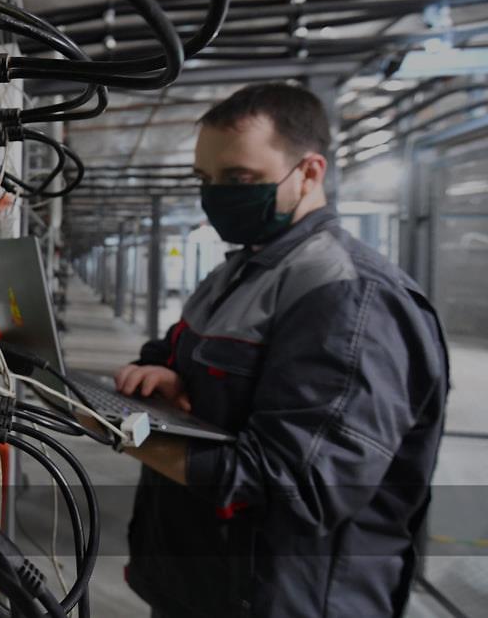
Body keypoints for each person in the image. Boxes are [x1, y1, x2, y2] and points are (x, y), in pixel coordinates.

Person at [110, 83, 449, 617]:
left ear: (309, 172)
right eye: (205, 178)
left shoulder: (351, 295)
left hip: (286, 600)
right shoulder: (238, 272)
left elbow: (300, 486)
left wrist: (124, 431)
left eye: (239, 178)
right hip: (202, 585)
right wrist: (163, 374)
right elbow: (172, 347)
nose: (216, 195)